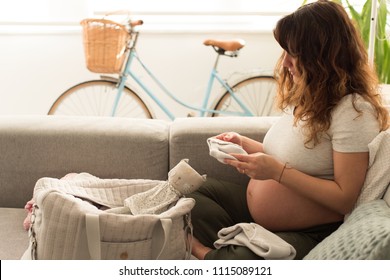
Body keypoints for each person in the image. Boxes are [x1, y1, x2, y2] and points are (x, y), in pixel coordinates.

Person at [188, 0, 389, 260]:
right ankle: (229, 244)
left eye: (293, 54)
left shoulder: (353, 111)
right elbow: (296, 157)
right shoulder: (309, 93)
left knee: (241, 259)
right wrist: (245, 145)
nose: (284, 63)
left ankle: (204, 254)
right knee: (192, 197)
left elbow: (344, 198)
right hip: (259, 214)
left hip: (313, 231)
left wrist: (277, 172)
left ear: (321, 56)